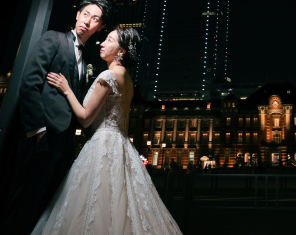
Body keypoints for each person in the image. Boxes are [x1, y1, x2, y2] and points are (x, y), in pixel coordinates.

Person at [32, 26, 183, 235]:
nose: (102, 43)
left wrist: (66, 90)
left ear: (121, 51)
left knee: (96, 202)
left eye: (109, 40)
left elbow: (85, 119)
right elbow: (126, 122)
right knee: (123, 203)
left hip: (103, 143)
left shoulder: (109, 75)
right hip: (121, 144)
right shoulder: (127, 79)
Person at [3, 0, 110, 234]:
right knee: (23, 202)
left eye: (95, 19)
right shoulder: (54, 39)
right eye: (85, 14)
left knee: (47, 205)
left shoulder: (89, 60)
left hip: (64, 142)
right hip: (41, 137)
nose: (87, 21)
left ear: (100, 27)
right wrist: (37, 130)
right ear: (77, 14)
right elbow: (30, 82)